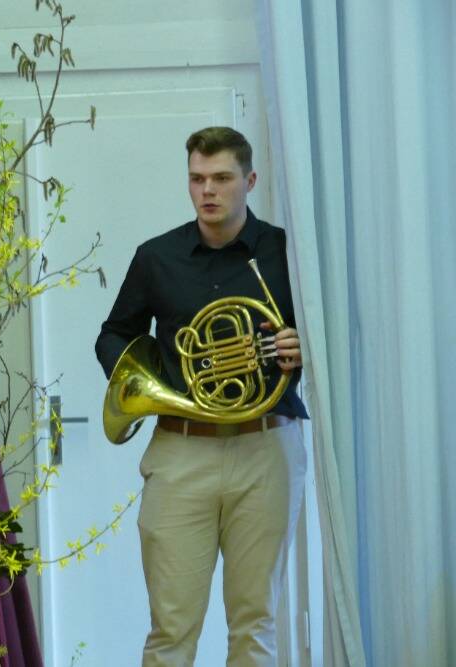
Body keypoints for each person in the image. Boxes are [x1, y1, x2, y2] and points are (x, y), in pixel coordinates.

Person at [95, 127, 309, 667]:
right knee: (171, 630)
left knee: (256, 625)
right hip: (181, 448)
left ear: (250, 181)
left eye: (221, 178)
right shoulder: (156, 256)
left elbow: (330, 335)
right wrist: (143, 380)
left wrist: (300, 348)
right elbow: (114, 334)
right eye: (197, 179)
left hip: (266, 448)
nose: (207, 190)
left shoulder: (286, 252)